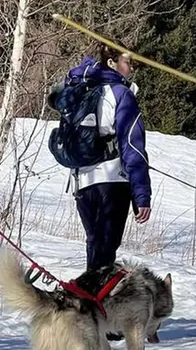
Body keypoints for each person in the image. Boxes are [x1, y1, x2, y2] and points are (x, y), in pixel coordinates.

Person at [52, 43, 152, 271]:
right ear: (112, 63)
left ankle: (89, 300)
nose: (131, 69)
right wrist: (141, 195)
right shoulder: (121, 94)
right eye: (127, 62)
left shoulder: (80, 89)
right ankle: (92, 301)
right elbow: (133, 148)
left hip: (82, 182)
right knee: (105, 252)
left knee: (95, 247)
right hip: (113, 181)